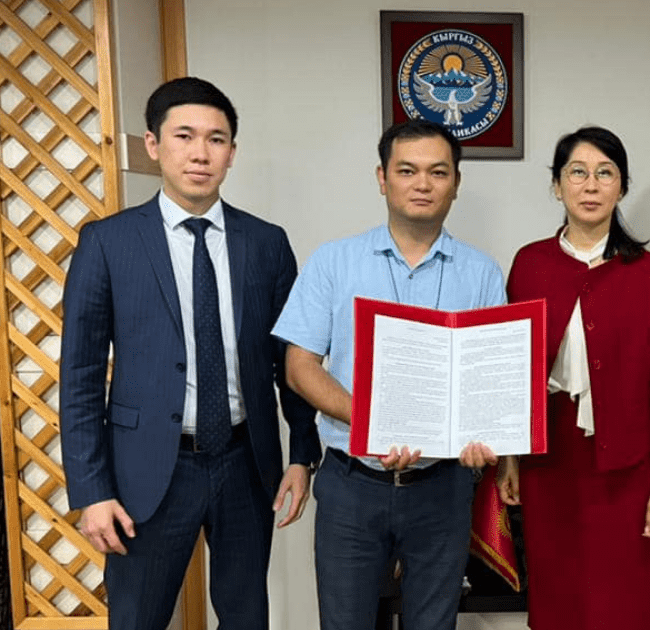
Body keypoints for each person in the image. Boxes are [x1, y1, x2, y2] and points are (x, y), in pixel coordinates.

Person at [60, 77, 322, 630]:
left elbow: (290, 361)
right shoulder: (107, 242)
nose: (200, 153)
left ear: (232, 152)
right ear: (154, 145)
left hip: (245, 462)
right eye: (184, 136)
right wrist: (92, 490)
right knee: (138, 619)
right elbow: (80, 375)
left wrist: (302, 454)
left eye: (216, 139)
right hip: (146, 470)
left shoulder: (266, 242)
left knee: (246, 617)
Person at [271, 118, 506, 630]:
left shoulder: (482, 272)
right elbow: (299, 367)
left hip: (443, 487)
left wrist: (482, 434)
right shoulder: (334, 262)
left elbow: (487, 382)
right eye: (407, 170)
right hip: (352, 485)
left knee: (434, 624)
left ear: (456, 183)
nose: (423, 184)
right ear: (382, 178)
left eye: (438, 172)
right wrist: (372, 422)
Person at [498, 126, 650, 629]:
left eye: (605, 173)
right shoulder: (529, 264)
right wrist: (509, 458)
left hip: (628, 467)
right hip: (549, 461)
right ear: (556, 185)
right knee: (557, 598)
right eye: (577, 172)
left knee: (622, 602)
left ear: (622, 186)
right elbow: (511, 372)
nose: (590, 185)